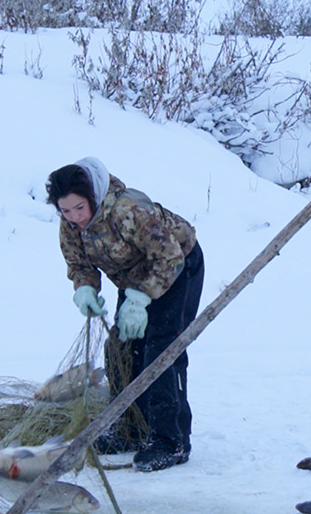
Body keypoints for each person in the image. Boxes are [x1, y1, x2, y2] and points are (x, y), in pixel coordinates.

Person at [46, 157, 204, 472]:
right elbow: (78, 263)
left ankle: (172, 442)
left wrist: (140, 299)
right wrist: (84, 288)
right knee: (121, 349)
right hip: (132, 278)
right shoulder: (71, 223)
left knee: (161, 352)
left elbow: (169, 255)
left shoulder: (128, 211)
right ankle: (131, 430)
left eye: (79, 207)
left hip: (177, 269)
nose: (74, 216)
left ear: (92, 196)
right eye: (66, 210)